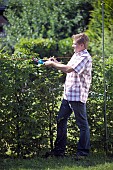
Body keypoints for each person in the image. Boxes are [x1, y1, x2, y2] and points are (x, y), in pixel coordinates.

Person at [44, 33, 92, 160]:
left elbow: (69, 69)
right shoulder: (77, 55)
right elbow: (66, 67)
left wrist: (53, 65)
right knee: (60, 120)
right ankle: (59, 151)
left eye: (75, 44)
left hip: (77, 96)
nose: (73, 45)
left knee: (82, 125)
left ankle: (82, 153)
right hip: (68, 95)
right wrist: (56, 62)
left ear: (82, 45)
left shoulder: (85, 57)